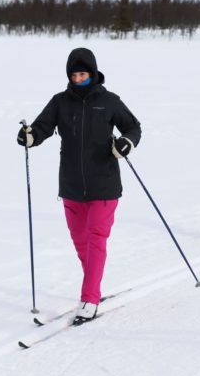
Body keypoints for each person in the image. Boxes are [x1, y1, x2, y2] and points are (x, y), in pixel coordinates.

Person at [16, 47, 141, 325]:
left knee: (96, 239)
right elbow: (42, 127)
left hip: (104, 184)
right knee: (80, 241)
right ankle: (93, 283)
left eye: (83, 74)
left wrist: (126, 143)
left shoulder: (109, 101)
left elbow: (133, 127)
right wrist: (30, 137)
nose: (78, 79)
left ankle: (90, 296)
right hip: (71, 185)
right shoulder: (60, 102)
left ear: (93, 73)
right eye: (74, 74)